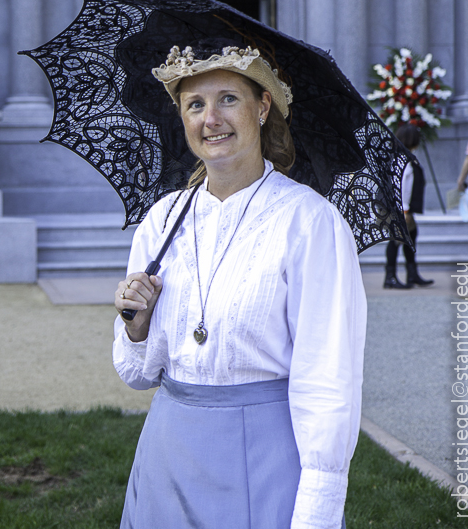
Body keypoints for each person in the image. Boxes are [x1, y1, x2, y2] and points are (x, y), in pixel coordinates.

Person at [113, 43, 367, 529]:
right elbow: (138, 375)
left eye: (228, 98)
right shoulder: (162, 221)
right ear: (182, 118)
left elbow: (328, 379)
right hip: (167, 454)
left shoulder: (309, 222)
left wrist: (317, 511)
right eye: (195, 104)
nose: (211, 119)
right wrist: (136, 327)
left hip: (263, 460)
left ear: (263, 106)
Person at [383, 124, 433, 289]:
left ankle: (412, 274)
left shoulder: (401, 157)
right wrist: (405, 210)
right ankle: (390, 277)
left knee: (410, 237)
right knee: (396, 240)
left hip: (399, 207)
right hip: (401, 209)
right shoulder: (404, 160)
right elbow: (404, 186)